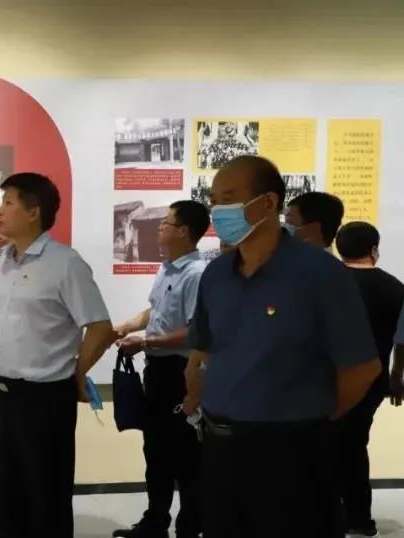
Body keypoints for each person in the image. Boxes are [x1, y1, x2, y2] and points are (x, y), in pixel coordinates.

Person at [183, 155, 381, 537]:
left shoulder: (320, 273)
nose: (217, 211)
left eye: (228, 198)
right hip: (221, 448)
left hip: (294, 453)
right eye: (213, 201)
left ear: (268, 203)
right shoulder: (217, 274)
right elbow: (202, 351)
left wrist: (308, 416)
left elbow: (362, 368)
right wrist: (196, 396)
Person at [0, 172, 115, 537]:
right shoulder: (4, 262)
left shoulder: (66, 264)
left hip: (44, 398)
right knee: (7, 484)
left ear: (33, 212)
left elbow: (100, 328)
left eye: (8, 202)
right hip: (1, 395)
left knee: (45, 491)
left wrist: (77, 373)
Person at [112, 200, 210, 538]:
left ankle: (189, 527)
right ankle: (155, 521)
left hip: (181, 373)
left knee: (185, 454)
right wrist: (126, 326)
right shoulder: (167, 267)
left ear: (183, 231)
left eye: (165, 222)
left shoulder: (196, 274)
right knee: (155, 451)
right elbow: (156, 311)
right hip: (157, 372)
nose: (159, 227)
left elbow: (194, 332)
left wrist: (145, 343)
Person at [333, 221, 404, 537]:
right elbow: (401, 340)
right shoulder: (394, 287)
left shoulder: (327, 282)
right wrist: (396, 375)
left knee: (323, 446)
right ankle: (359, 519)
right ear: (374, 249)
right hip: (372, 381)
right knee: (354, 446)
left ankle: (326, 514)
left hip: (327, 379)